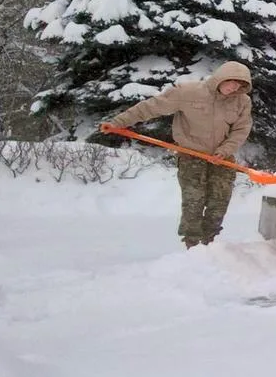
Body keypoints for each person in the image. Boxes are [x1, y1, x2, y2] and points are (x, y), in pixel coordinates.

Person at [100, 61, 253, 249]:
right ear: (220, 77)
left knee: (219, 202)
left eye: (239, 86)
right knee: (193, 201)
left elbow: (241, 129)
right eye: (231, 82)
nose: (233, 88)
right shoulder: (189, 92)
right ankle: (193, 245)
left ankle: (210, 245)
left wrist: (225, 150)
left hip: (222, 158)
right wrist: (118, 122)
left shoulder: (242, 101)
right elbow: (151, 107)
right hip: (192, 155)